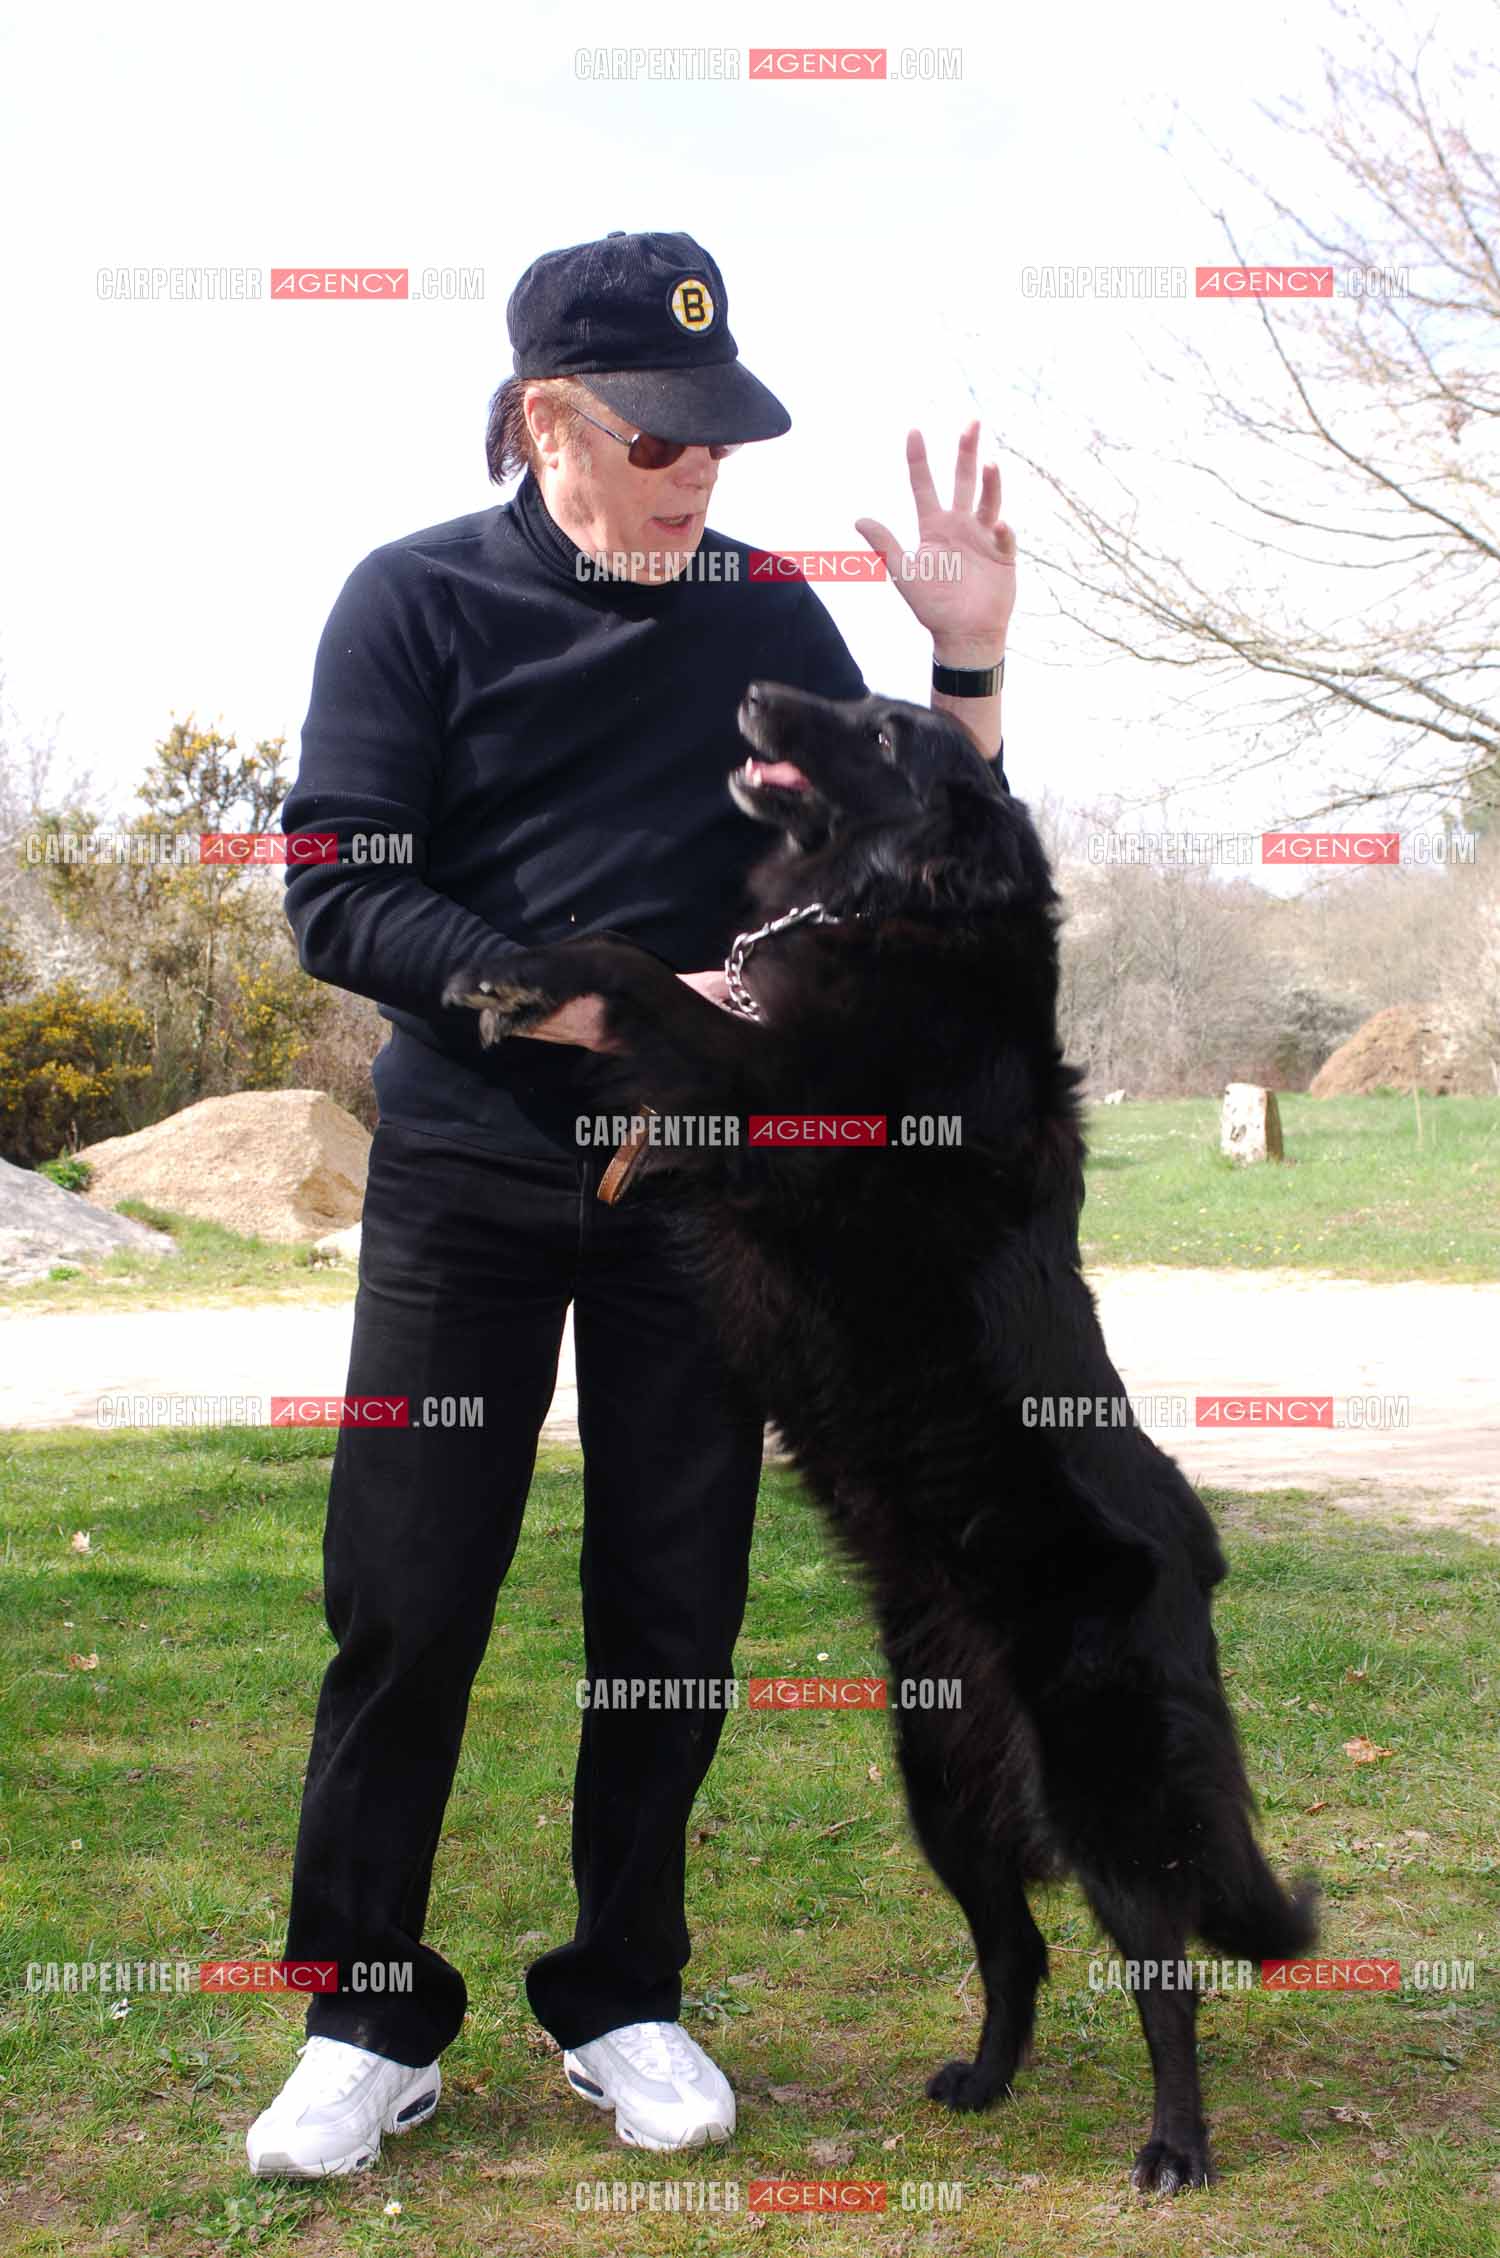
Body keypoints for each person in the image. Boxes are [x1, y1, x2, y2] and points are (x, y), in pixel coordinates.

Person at [246, 228, 1016, 2178]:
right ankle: (363, 2015)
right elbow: (342, 883)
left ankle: (623, 1987)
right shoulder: (410, 600)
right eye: (656, 443)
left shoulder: (764, 610)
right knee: (405, 1601)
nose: (696, 481)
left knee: (672, 1601)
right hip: (464, 1180)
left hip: (701, 1194)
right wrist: (592, 1000)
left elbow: (913, 858)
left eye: (716, 444)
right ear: (546, 422)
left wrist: (967, 666)